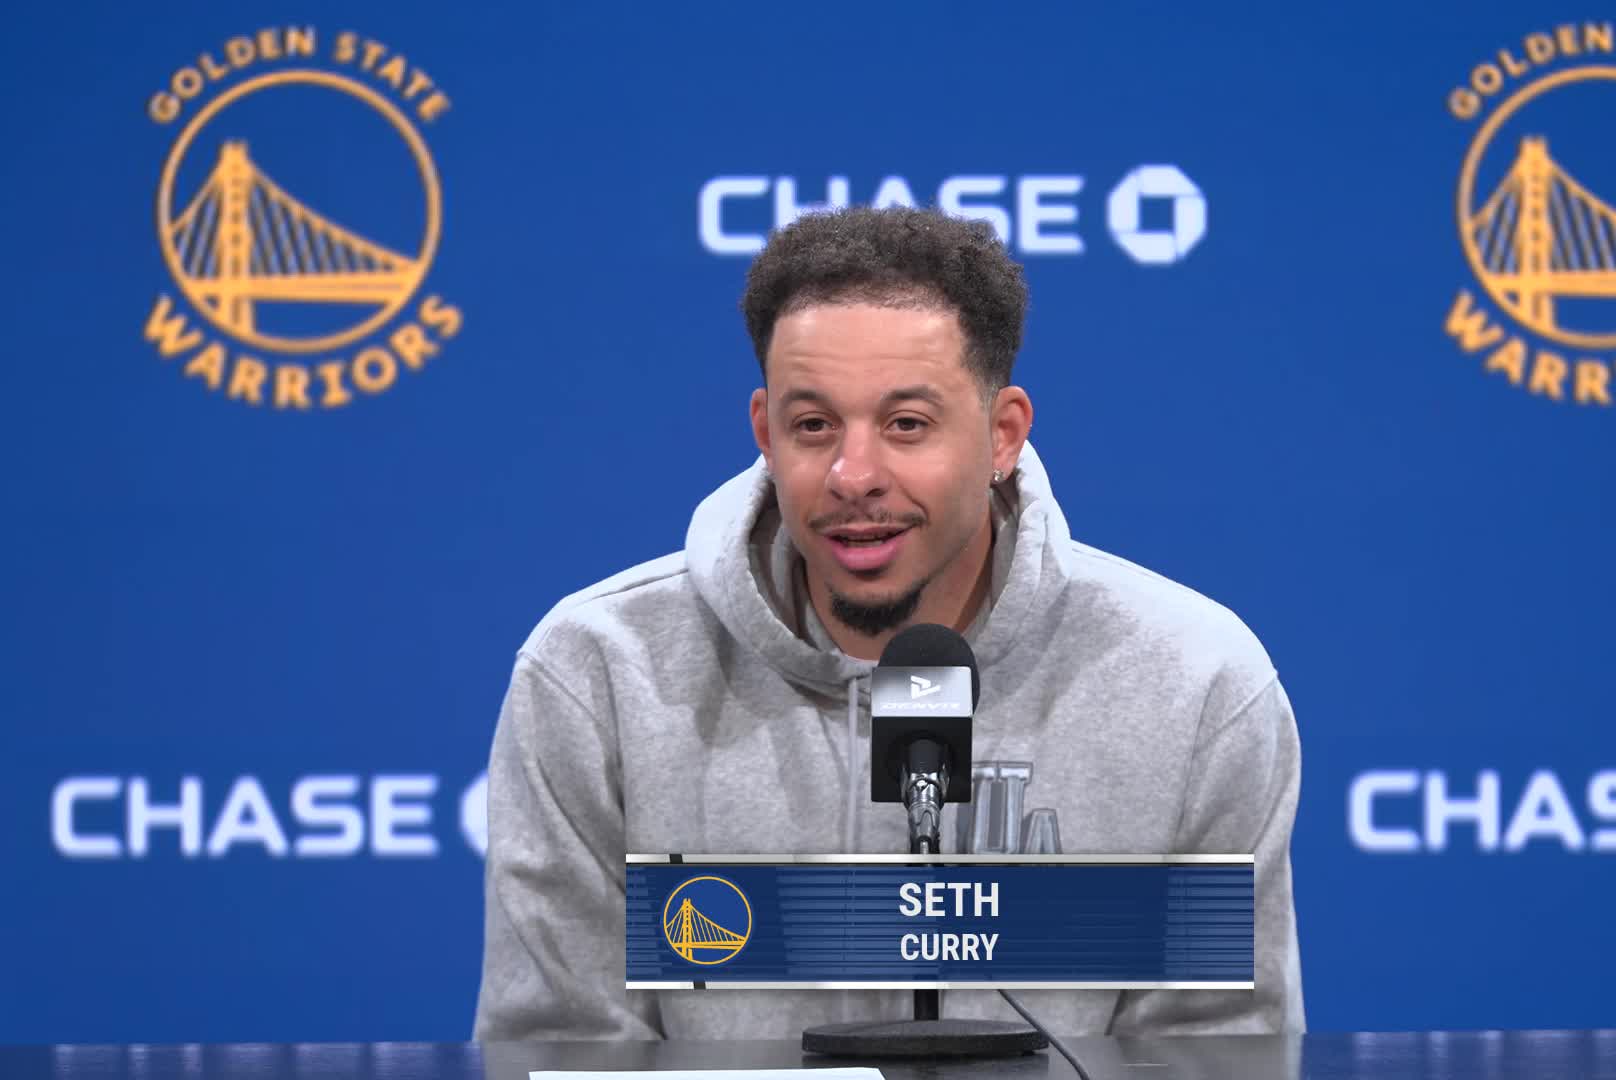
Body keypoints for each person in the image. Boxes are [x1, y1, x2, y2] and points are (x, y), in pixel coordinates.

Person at [474, 206, 1304, 1040]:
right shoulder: (598, 674)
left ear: (1003, 436)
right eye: (813, 426)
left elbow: (1213, 1056)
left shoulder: (1195, 684)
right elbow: (559, 1050)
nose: (853, 474)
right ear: (765, 433)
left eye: (907, 425)